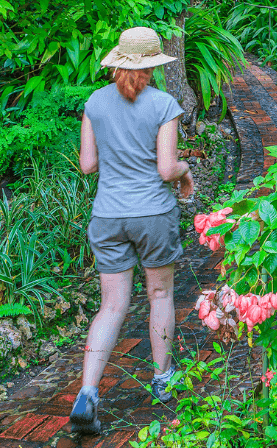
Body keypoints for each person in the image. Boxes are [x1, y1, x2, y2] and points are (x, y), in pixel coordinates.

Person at [69, 27, 194, 435]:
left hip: (107, 216)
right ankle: (161, 379)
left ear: (118, 60)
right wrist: (186, 171)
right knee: (159, 293)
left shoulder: (94, 102)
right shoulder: (164, 104)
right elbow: (165, 168)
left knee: (111, 306)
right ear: (154, 64)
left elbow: (88, 164)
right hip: (152, 215)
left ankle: (87, 393)